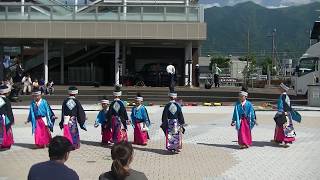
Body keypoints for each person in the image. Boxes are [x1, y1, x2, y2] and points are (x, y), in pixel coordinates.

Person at [272, 83, 296, 148]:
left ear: (283, 89)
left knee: (283, 128)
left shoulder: (283, 96)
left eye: (280, 87)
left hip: (283, 114)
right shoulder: (286, 96)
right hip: (287, 114)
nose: (279, 88)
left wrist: (277, 109)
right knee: (282, 127)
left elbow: (281, 106)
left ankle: (285, 141)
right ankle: (279, 140)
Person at [0, 85, 14, 149]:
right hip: (5, 118)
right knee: (6, 130)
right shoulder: (6, 100)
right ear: (7, 93)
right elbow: (9, 111)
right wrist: (11, 120)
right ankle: (6, 143)